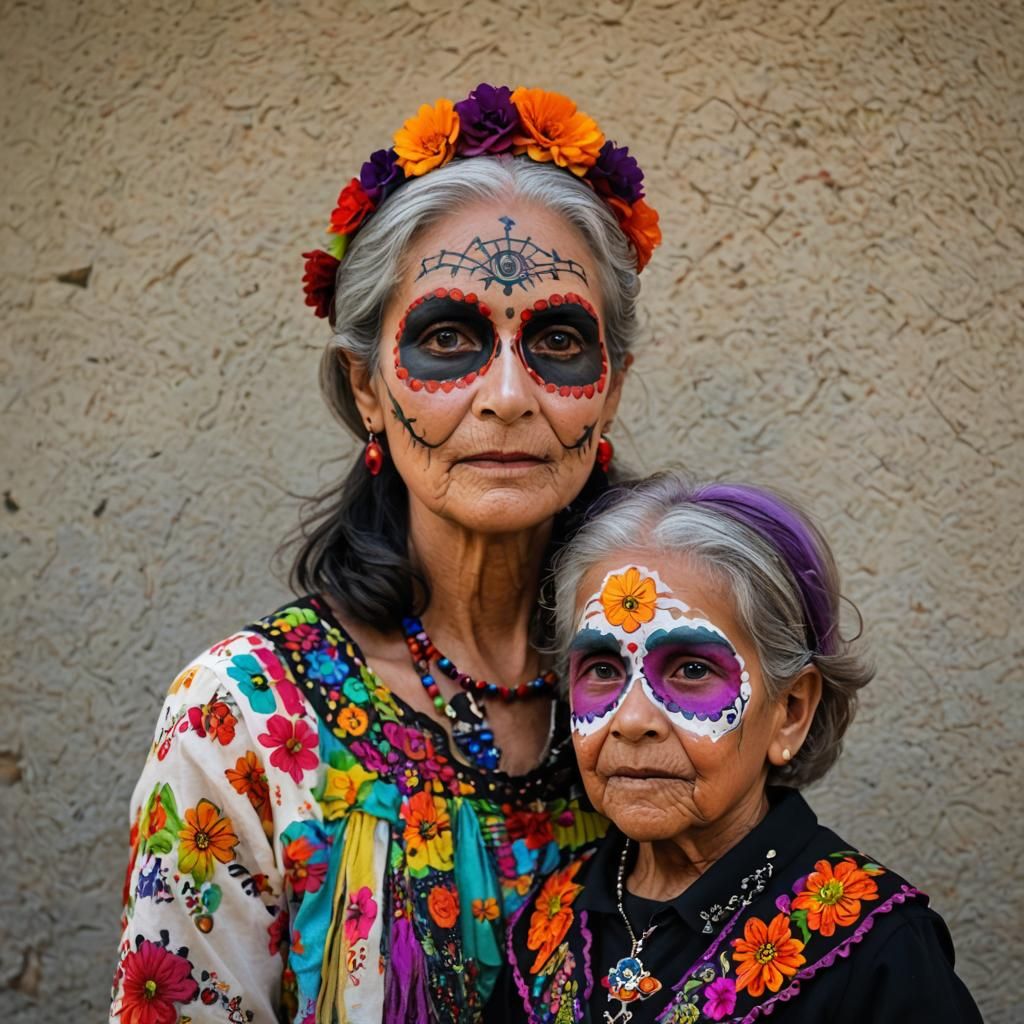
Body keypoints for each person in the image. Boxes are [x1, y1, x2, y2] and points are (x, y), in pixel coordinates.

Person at [108, 85, 662, 1024]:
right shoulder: (241, 717)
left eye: (559, 341)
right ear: (364, 387)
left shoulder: (674, 693)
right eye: (449, 337)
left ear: (609, 391)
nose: (508, 395)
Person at [500, 475, 982, 1023]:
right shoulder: (549, 919)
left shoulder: (880, 948)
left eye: (691, 669)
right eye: (604, 669)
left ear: (791, 712)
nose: (631, 720)